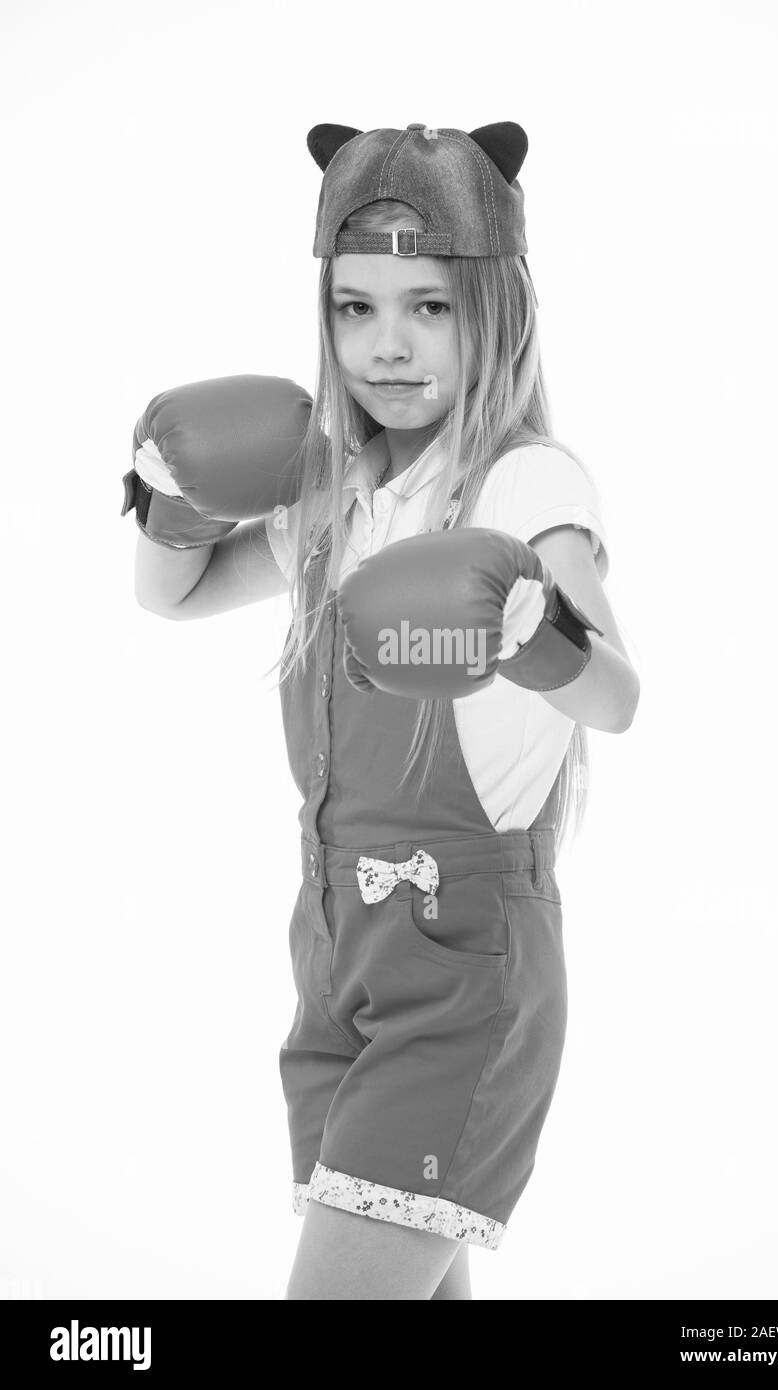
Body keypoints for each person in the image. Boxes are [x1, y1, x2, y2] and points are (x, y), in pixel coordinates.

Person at [124, 121, 640, 1301]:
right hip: (331, 946)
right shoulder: (329, 487)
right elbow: (174, 596)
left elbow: (616, 694)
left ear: (495, 310)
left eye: (430, 307)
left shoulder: (524, 480)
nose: (386, 346)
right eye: (355, 309)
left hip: (464, 959)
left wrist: (529, 633)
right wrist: (165, 496)